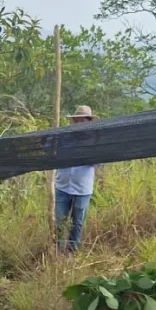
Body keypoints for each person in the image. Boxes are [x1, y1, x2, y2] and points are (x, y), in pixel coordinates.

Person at [55, 105, 99, 252]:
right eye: (77, 120)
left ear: (88, 122)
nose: (80, 123)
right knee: (60, 220)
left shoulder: (95, 141)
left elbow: (98, 162)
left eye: (83, 120)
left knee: (78, 222)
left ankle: (72, 251)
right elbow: (56, 154)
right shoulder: (64, 138)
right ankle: (58, 251)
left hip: (83, 188)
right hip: (62, 185)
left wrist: (85, 154)